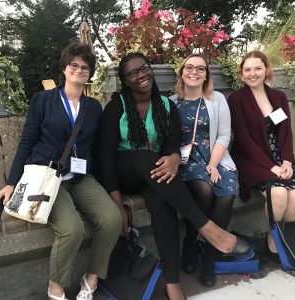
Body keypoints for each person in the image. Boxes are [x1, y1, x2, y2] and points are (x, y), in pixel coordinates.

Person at [98, 52, 249, 300]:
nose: (141, 75)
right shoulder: (117, 107)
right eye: (132, 73)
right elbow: (104, 156)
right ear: (125, 80)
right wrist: (118, 205)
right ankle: (207, 227)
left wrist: (175, 158)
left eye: (144, 68)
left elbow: (172, 144)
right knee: (146, 156)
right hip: (123, 171)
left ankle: (172, 280)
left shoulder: (166, 105)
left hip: (153, 173)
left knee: (163, 205)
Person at [0, 42, 122, 300]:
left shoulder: (93, 107)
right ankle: (56, 287)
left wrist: (106, 185)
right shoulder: (43, 100)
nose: (78, 70)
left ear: (90, 73)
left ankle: (93, 277)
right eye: (73, 65)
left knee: (112, 219)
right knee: (71, 229)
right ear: (64, 69)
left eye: (85, 67)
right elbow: (27, 141)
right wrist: (12, 182)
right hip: (47, 177)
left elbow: (96, 149)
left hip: (79, 176)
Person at [227, 50, 295, 262]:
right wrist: (272, 168)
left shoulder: (278, 97)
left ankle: (277, 239)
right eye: (248, 69)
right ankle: (274, 247)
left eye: (257, 68)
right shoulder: (237, 100)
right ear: (241, 74)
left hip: (281, 157)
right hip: (251, 159)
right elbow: (244, 139)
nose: (253, 73)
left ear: (266, 70)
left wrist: (287, 161)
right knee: (278, 193)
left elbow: (287, 133)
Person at [174, 54, 239, 287]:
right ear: (182, 72)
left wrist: (213, 163)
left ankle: (210, 257)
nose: (194, 72)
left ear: (206, 75)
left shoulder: (217, 99)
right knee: (204, 190)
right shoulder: (172, 102)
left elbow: (224, 135)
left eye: (200, 69)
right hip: (188, 160)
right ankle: (190, 243)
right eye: (189, 67)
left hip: (217, 156)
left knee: (226, 193)